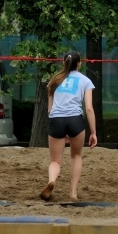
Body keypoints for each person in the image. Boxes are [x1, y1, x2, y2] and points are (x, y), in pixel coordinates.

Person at [40, 50, 98, 201]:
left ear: (63, 62)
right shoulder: (85, 81)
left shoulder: (55, 80)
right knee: (76, 156)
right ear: (79, 64)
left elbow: (49, 109)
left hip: (57, 119)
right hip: (75, 120)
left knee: (55, 161)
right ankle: (73, 193)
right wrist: (93, 132)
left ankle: (52, 181)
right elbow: (89, 108)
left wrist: (59, 126)